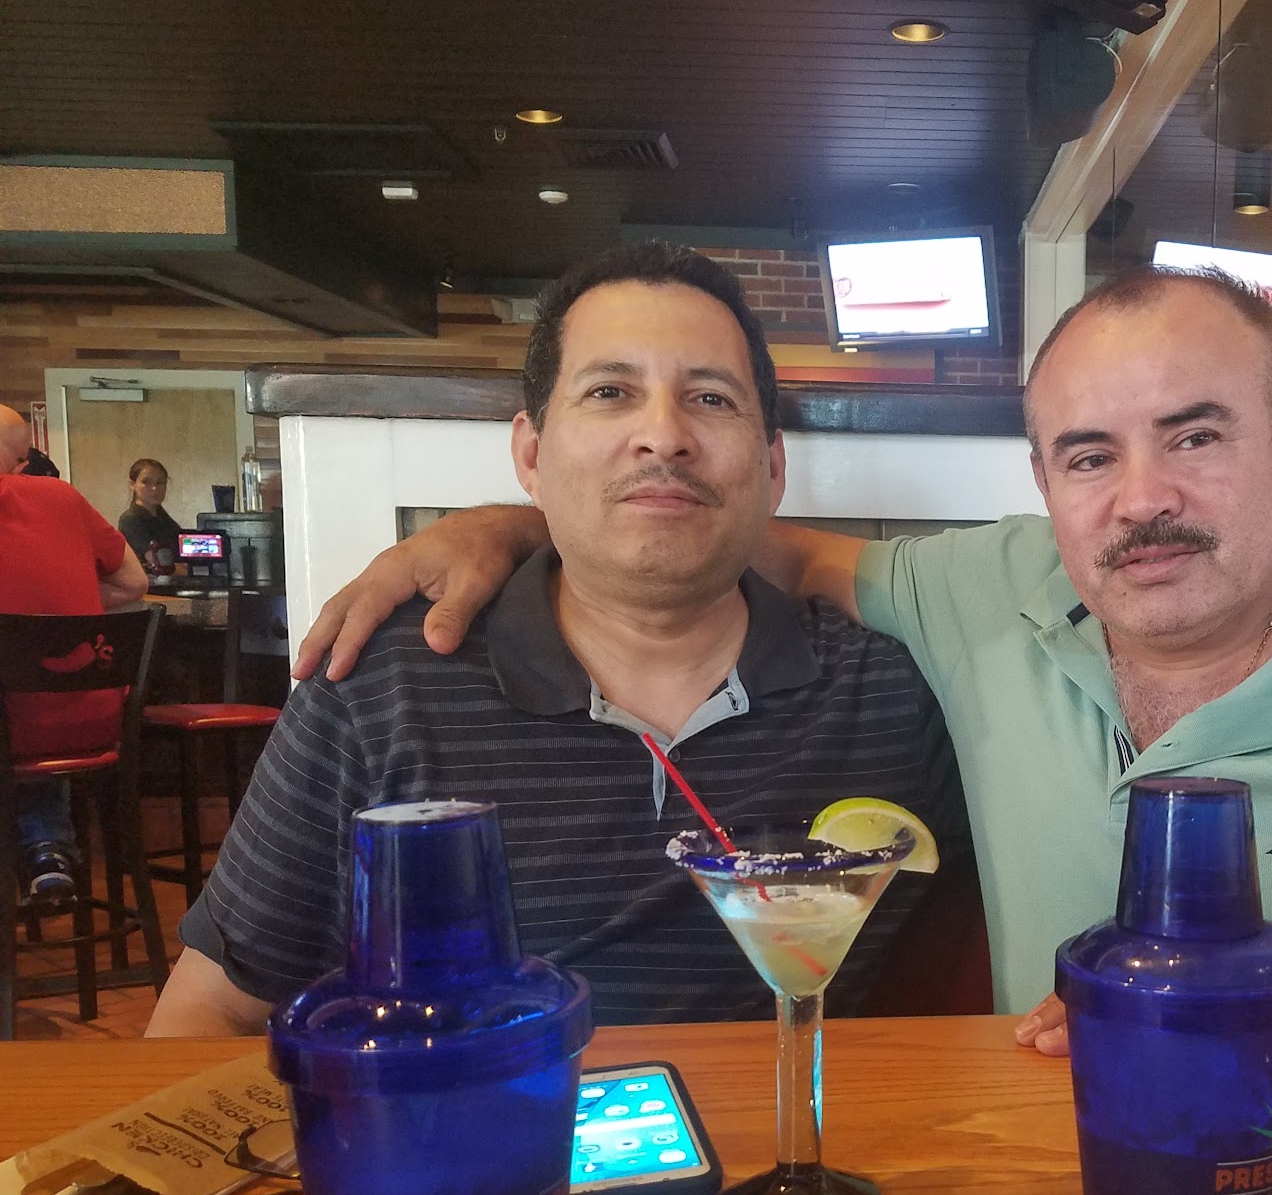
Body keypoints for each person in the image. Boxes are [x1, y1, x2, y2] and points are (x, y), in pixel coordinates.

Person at [292, 264, 1272, 1058]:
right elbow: (733, 532)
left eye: (1197, 438)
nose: (1139, 499)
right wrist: (519, 521)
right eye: (1088, 456)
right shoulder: (987, 590)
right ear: (1042, 485)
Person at [145, 245, 971, 1037]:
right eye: (610, 392)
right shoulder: (382, 688)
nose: (663, 435)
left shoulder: (895, 691)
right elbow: (209, 1012)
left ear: (773, 466)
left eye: (712, 399)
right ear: (531, 456)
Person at [0, 406, 149, 900]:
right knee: (30, 700)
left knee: (16, 707)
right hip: (89, 722)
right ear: (17, 460)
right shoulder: (60, 495)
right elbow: (133, 583)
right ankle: (47, 846)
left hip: (19, 726)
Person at [117, 457, 180, 575]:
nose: (154, 488)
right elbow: (160, 563)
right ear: (133, 485)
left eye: (160, 482)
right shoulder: (130, 519)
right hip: (147, 584)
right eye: (146, 482)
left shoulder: (165, 519)